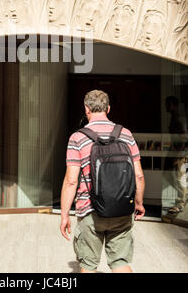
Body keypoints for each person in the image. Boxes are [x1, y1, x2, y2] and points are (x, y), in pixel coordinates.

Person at [60, 89, 145, 273]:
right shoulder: (126, 134)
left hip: (90, 210)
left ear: (86, 109)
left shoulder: (77, 138)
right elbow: (138, 175)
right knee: (120, 262)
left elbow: (71, 181)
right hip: (122, 209)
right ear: (108, 108)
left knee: (89, 265)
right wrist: (138, 203)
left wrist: (65, 214)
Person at [165, 95, 188, 215]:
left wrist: (178, 155)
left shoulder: (179, 118)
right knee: (168, 175)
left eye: (167, 104)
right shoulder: (175, 117)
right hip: (176, 151)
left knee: (179, 178)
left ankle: (181, 203)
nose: (166, 107)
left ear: (173, 105)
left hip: (181, 152)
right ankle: (183, 196)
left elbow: (183, 138)